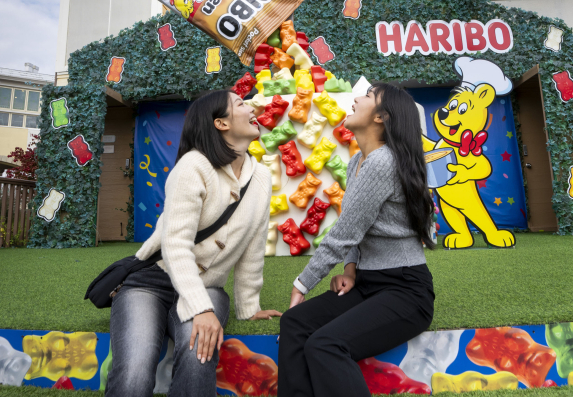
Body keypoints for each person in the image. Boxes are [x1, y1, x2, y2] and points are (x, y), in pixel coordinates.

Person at [105, 90, 281, 397]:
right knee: (134, 369)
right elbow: (175, 244)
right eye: (240, 104)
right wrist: (201, 309)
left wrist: (249, 306)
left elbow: (253, 246)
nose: (250, 107)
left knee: (199, 356)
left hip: (207, 286)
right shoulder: (193, 166)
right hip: (151, 282)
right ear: (221, 124)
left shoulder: (262, 177)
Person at [278, 82, 435, 397]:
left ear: (381, 116)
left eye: (366, 96)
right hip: (366, 284)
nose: (356, 100)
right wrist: (350, 270)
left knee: (326, 344)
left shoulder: (381, 162)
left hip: (405, 291)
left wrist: (302, 284)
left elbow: (345, 232)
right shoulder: (356, 162)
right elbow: (358, 226)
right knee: (295, 324)